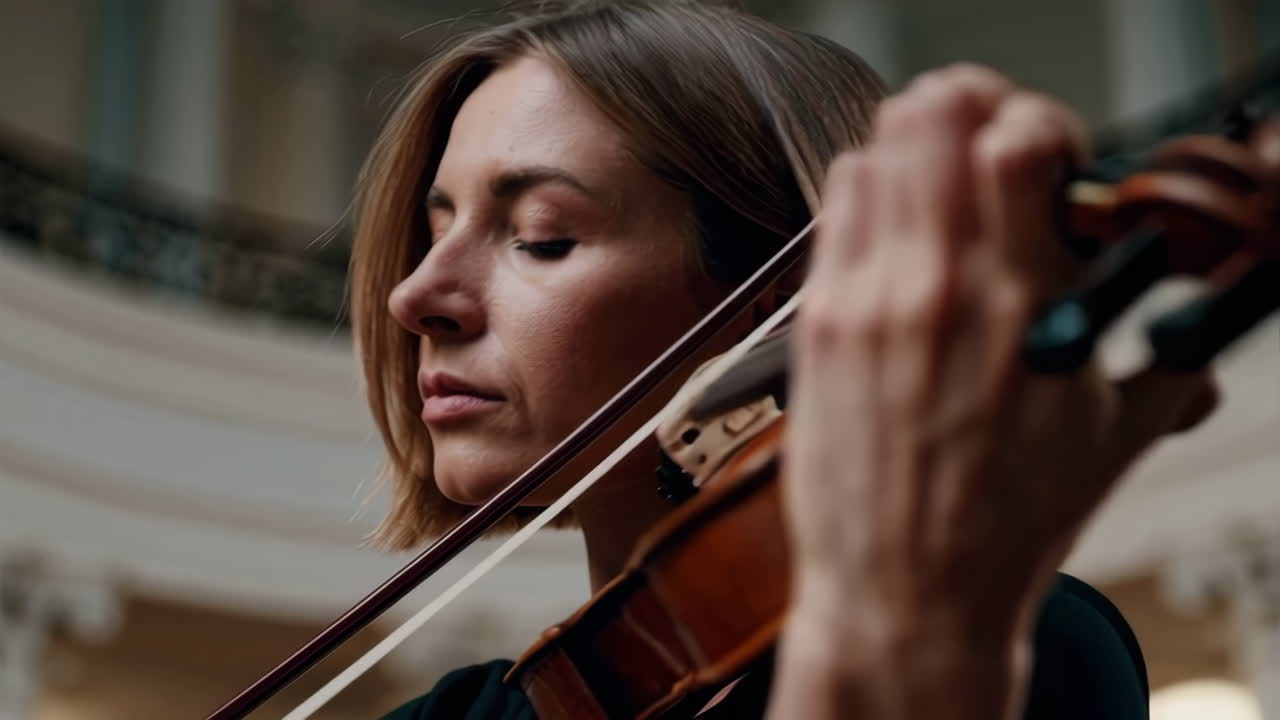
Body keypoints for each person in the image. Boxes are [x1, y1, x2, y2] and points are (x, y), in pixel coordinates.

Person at [346, 2, 1217, 718]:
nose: (413, 294)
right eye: (436, 228)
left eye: (543, 237)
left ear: (777, 302)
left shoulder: (1012, 644)